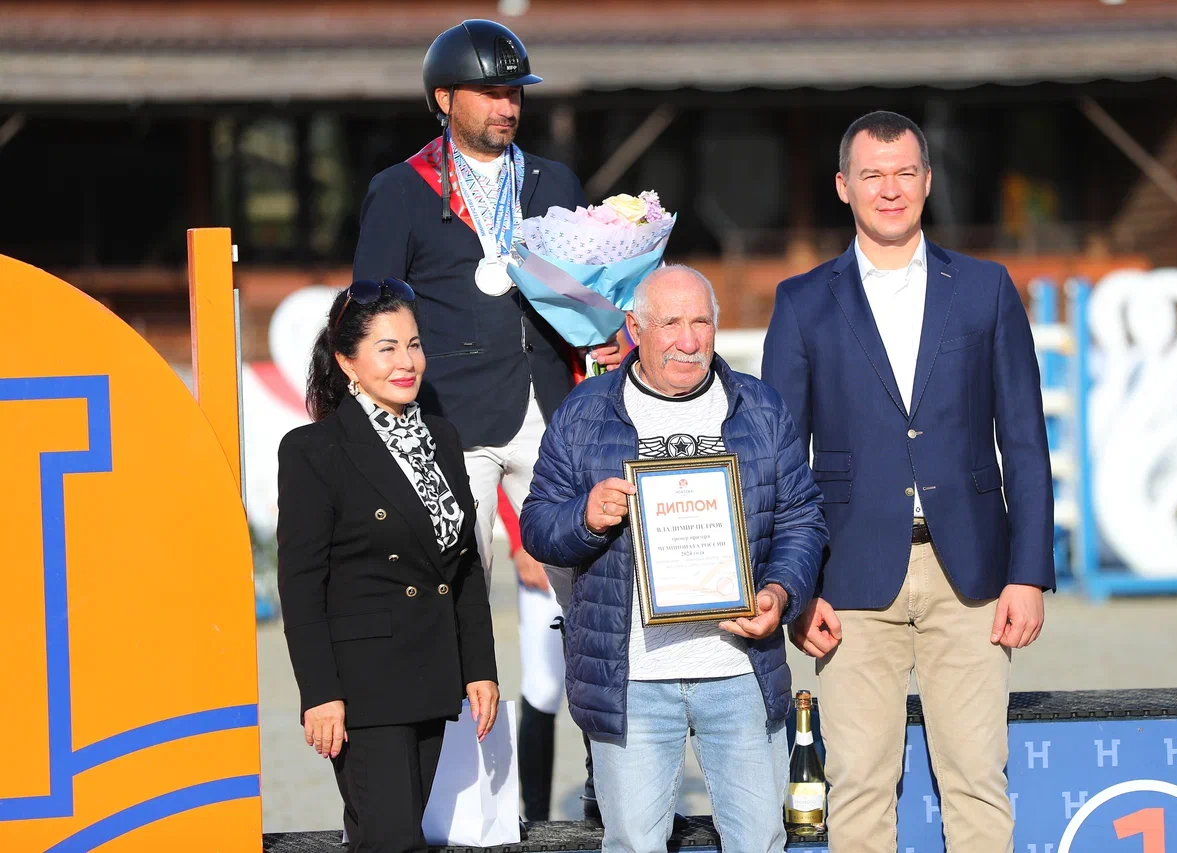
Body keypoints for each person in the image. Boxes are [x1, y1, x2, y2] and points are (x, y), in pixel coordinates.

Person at [350, 19, 622, 821]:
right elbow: (370, 315)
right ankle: (462, 803)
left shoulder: (554, 179)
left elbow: (587, 292)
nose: (508, 106)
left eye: (515, 93)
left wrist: (609, 326)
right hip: (451, 423)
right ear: (444, 99)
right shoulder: (400, 189)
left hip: (555, 410)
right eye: (491, 93)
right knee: (449, 604)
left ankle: (611, 778)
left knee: (598, 595)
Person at [762, 110, 1055, 853]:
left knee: (977, 781)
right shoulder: (803, 301)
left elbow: (1024, 441)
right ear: (843, 186)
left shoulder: (986, 289)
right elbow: (781, 461)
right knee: (859, 786)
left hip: (973, 577)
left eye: (903, 173)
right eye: (872, 175)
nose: (889, 190)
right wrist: (796, 585)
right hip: (847, 579)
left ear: (927, 181)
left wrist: (1028, 573)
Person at [520, 265, 828, 853]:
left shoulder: (760, 407)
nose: (688, 341)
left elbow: (801, 518)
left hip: (739, 669)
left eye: (701, 322)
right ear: (634, 329)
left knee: (760, 841)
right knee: (634, 843)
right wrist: (585, 516)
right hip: (632, 678)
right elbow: (538, 525)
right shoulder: (585, 412)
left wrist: (780, 594)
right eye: (670, 324)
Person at [277, 280, 499, 853]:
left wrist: (480, 667)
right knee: (393, 841)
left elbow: (462, 566)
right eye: (387, 348)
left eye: (414, 345)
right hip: (364, 688)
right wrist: (319, 693)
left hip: (433, 674)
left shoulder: (441, 437)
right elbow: (301, 586)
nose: (407, 361)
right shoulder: (313, 450)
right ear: (347, 361)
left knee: (385, 839)